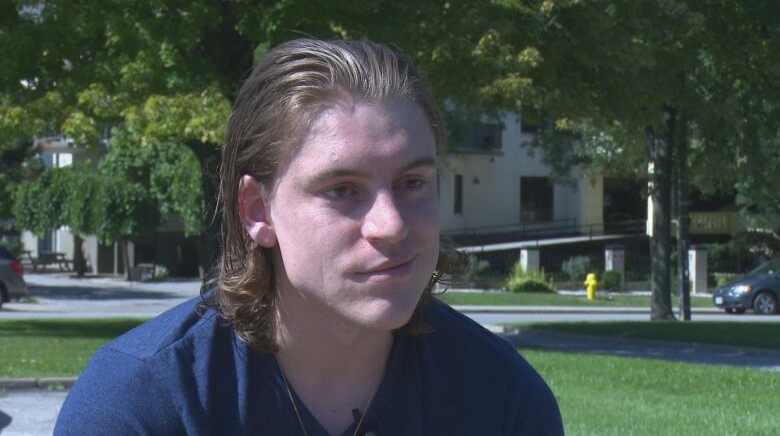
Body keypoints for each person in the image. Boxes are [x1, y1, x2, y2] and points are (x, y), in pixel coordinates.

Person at [55, 38, 563, 435]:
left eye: (412, 184)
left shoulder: (501, 397)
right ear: (258, 210)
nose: (392, 224)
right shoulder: (146, 400)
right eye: (342, 190)